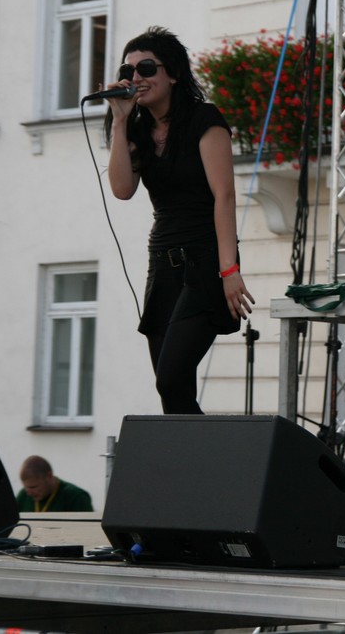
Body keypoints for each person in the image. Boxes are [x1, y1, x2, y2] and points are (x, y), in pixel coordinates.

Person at [104, 26, 254, 414]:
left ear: (172, 74)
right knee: (172, 392)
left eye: (147, 68)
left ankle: (202, 451)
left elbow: (224, 196)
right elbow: (122, 189)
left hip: (204, 262)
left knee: (171, 376)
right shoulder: (137, 130)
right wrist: (119, 122)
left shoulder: (204, 120)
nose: (136, 78)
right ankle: (197, 453)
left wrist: (229, 270)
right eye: (128, 70)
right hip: (162, 263)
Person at [16, 456, 93, 512]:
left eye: (33, 487)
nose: (29, 493)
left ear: (49, 476)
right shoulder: (23, 496)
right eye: (26, 487)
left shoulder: (76, 498)